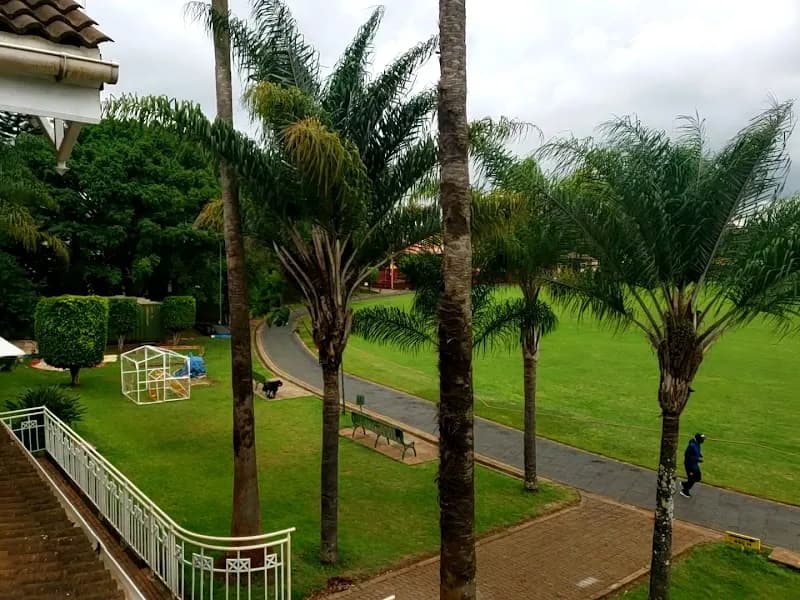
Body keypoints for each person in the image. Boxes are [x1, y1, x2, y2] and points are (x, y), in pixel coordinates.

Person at [680, 433, 705, 498]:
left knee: (698, 478)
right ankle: (684, 491)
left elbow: (695, 451)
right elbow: (687, 456)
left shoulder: (697, 443)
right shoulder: (691, 446)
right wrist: (697, 459)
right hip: (690, 465)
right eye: (702, 439)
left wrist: (699, 454)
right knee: (692, 479)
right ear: (698, 439)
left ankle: (684, 484)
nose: (703, 441)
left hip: (694, 465)